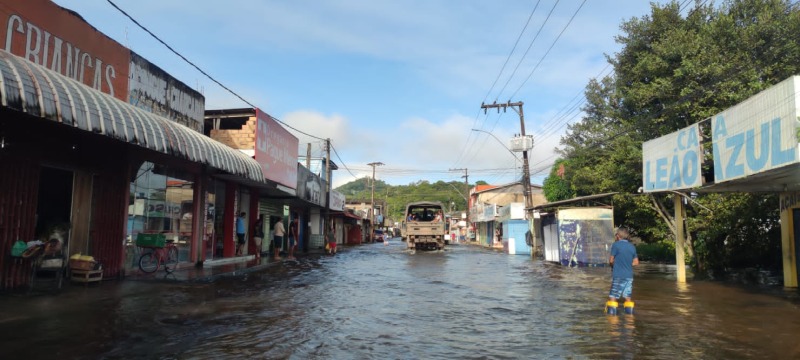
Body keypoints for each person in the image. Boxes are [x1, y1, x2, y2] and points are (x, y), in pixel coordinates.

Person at [608, 226, 639, 314]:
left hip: (618, 275)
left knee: (613, 297)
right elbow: (636, 262)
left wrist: (614, 265)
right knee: (628, 297)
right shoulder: (632, 246)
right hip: (629, 276)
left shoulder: (616, 245)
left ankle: (613, 323)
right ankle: (629, 320)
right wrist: (628, 264)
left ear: (618, 235)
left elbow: (611, 261)